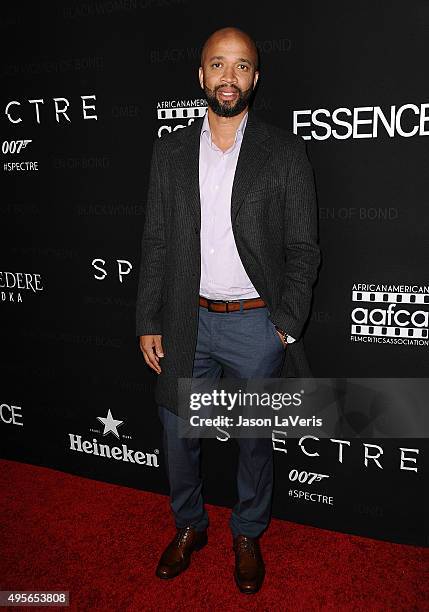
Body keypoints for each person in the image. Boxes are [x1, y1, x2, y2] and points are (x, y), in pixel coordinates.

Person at [136, 26, 320, 594]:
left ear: (255, 79)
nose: (229, 76)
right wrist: (149, 319)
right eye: (218, 64)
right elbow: (157, 241)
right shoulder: (169, 153)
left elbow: (303, 246)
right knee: (178, 435)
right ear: (201, 75)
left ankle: (247, 532)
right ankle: (190, 526)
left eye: (241, 66)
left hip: (254, 325)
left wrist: (284, 324)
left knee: (253, 441)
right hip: (186, 321)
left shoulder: (283, 151)